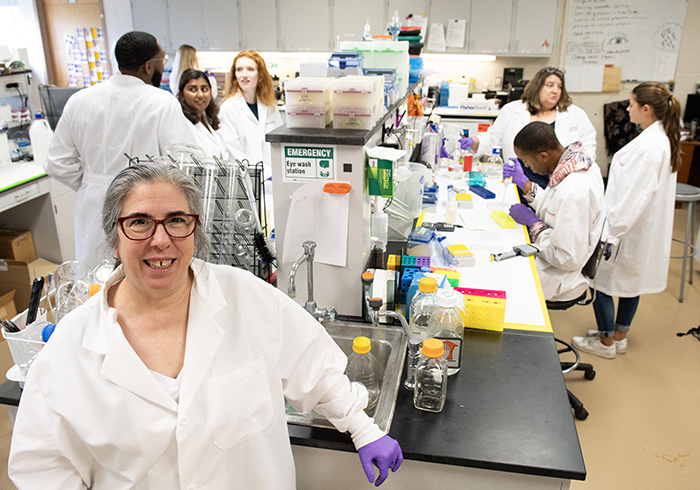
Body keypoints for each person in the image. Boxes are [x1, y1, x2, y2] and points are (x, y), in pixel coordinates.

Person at [8, 162, 403, 488]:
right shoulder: (70, 349)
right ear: (116, 238)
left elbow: (312, 368)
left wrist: (361, 427)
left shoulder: (246, 297)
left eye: (176, 220)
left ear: (194, 231)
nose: (160, 240)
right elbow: (42, 466)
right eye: (140, 222)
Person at [44, 31, 197, 268]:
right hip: (146, 207)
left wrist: (94, 184)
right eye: (161, 62)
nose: (161, 67)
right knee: (142, 277)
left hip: (93, 204)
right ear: (148, 66)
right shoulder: (160, 102)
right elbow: (186, 161)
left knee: (97, 283)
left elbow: (57, 163)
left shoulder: (80, 100)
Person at [572, 82, 680, 359]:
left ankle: (606, 343)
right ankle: (618, 335)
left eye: (631, 104)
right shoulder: (660, 138)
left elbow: (635, 197)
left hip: (624, 229)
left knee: (600, 282)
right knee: (632, 283)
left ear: (646, 109)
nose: (627, 109)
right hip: (639, 229)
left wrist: (610, 233)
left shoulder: (649, 147)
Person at [507, 121, 605, 302]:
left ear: (543, 155)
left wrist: (534, 225)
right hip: (556, 260)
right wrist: (527, 186)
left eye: (527, 162)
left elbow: (567, 257)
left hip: (558, 276)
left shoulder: (574, 191)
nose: (527, 168)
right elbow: (555, 205)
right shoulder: (571, 165)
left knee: (501, 275)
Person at [471, 66, 596, 190]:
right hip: (519, 180)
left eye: (559, 87)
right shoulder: (512, 110)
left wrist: (577, 176)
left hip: (558, 184)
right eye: (550, 85)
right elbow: (494, 138)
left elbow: (588, 149)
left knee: (548, 208)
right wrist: (475, 141)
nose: (555, 90)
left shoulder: (575, 114)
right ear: (537, 87)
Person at [219, 50, 283, 178]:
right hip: (245, 178)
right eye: (239, 70)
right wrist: (266, 172)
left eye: (250, 69)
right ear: (234, 76)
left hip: (272, 176)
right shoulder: (229, 108)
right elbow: (235, 153)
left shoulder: (270, 105)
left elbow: (279, 141)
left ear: (260, 75)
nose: (244, 75)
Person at [177, 68, 229, 159]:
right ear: (182, 94)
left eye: (204, 89)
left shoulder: (208, 119)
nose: (200, 95)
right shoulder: (182, 122)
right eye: (193, 89)